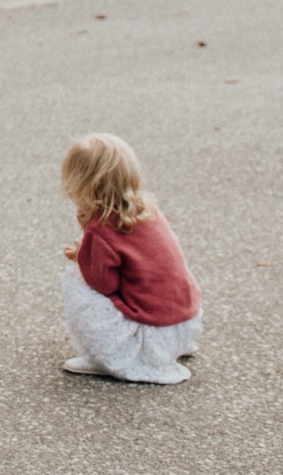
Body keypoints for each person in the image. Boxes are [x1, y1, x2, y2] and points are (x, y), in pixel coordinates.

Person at [59, 133, 202, 382]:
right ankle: (171, 347)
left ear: (82, 186)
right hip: (184, 323)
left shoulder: (102, 226)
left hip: (151, 329)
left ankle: (108, 356)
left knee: (77, 281)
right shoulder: (148, 209)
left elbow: (103, 284)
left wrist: (84, 255)